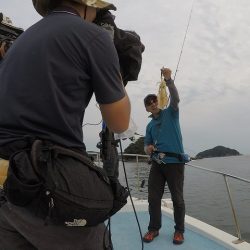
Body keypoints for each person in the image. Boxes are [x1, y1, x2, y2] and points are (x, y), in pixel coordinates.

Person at [0, 0, 130, 249]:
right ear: (87, 5)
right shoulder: (94, 37)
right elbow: (120, 122)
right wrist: (116, 70)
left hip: (6, 188)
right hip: (41, 184)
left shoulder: (21, 42)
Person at [143, 67, 186, 245]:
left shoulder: (171, 112)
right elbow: (146, 146)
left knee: (177, 199)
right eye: (149, 103)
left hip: (175, 163)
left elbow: (175, 98)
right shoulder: (150, 126)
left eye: (154, 101)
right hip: (157, 164)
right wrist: (148, 148)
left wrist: (168, 80)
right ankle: (154, 229)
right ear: (147, 108)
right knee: (153, 198)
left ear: (159, 101)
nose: (153, 104)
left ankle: (179, 231)